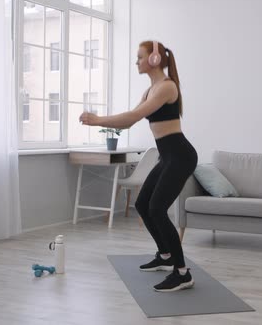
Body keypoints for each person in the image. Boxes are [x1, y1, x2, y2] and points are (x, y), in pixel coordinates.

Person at [79, 40, 198, 292]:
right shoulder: (150, 90)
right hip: (167, 156)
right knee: (144, 204)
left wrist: (96, 120)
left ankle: (182, 273)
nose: (137, 62)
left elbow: (131, 119)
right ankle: (165, 255)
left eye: (140, 57)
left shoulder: (166, 87)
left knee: (157, 208)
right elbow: (130, 115)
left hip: (180, 155)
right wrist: (100, 120)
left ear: (154, 59)